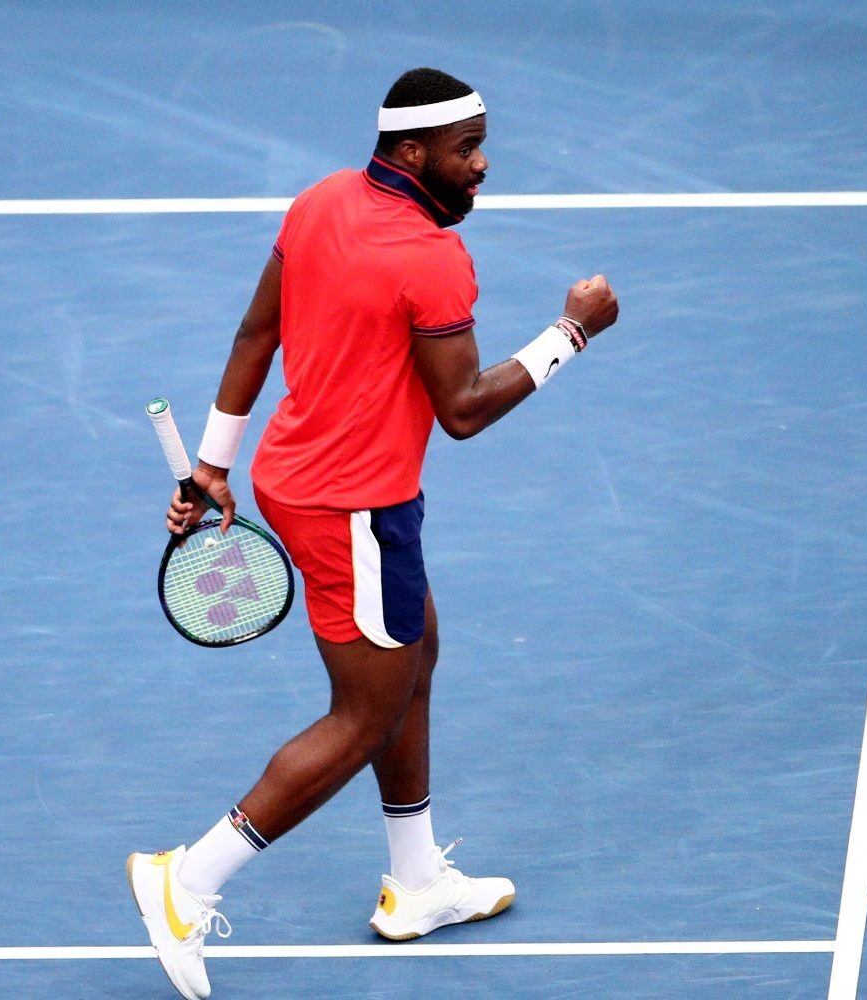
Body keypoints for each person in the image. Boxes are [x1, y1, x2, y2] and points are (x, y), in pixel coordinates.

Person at [127, 67, 620, 1000]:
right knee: (365, 714)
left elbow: (253, 332)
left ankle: (419, 883)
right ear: (412, 152)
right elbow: (464, 411)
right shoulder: (432, 257)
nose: (482, 165)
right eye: (466, 149)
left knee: (415, 655)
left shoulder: (317, 203)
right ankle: (185, 882)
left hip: (312, 485)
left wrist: (212, 466)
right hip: (352, 508)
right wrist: (572, 332)